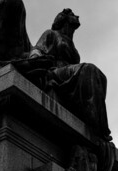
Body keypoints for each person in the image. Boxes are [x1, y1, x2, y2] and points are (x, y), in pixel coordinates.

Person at [30, 8, 112, 141]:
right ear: (64, 19)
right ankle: (95, 124)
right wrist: (34, 59)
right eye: (73, 15)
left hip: (67, 72)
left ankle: (96, 121)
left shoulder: (71, 43)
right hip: (55, 71)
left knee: (101, 77)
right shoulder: (51, 33)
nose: (77, 16)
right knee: (89, 70)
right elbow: (37, 49)